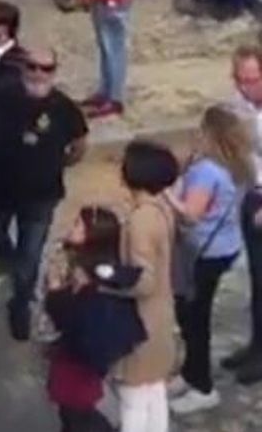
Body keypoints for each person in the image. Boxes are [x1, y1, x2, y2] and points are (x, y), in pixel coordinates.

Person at [0, 46, 89, 341]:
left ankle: (20, 307)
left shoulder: (65, 108)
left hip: (41, 196)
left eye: (46, 68)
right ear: (23, 68)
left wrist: (58, 163)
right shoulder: (2, 99)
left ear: (55, 72)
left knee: (29, 258)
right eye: (32, 67)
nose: (38, 74)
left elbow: (80, 144)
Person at [163, 106, 251, 413]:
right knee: (194, 316)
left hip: (200, 254)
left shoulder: (206, 171)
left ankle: (201, 385)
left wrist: (166, 193)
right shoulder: (239, 167)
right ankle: (190, 374)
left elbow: (190, 216)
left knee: (193, 320)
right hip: (225, 246)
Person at [42, 206, 145, 432]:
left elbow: (68, 316)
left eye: (79, 225)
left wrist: (55, 290)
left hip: (78, 356)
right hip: (78, 354)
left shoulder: (88, 275)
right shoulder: (95, 267)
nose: (72, 228)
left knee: (76, 412)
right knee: (72, 412)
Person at [115, 139, 180, 432]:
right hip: (161, 316)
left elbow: (144, 281)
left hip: (141, 321)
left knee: (133, 398)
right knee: (154, 393)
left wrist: (104, 284)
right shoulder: (162, 209)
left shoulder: (141, 219)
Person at [225, 45, 262, 382]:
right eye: (240, 80)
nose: (245, 87)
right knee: (256, 278)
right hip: (250, 197)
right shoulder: (240, 107)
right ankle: (256, 345)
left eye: (252, 80)